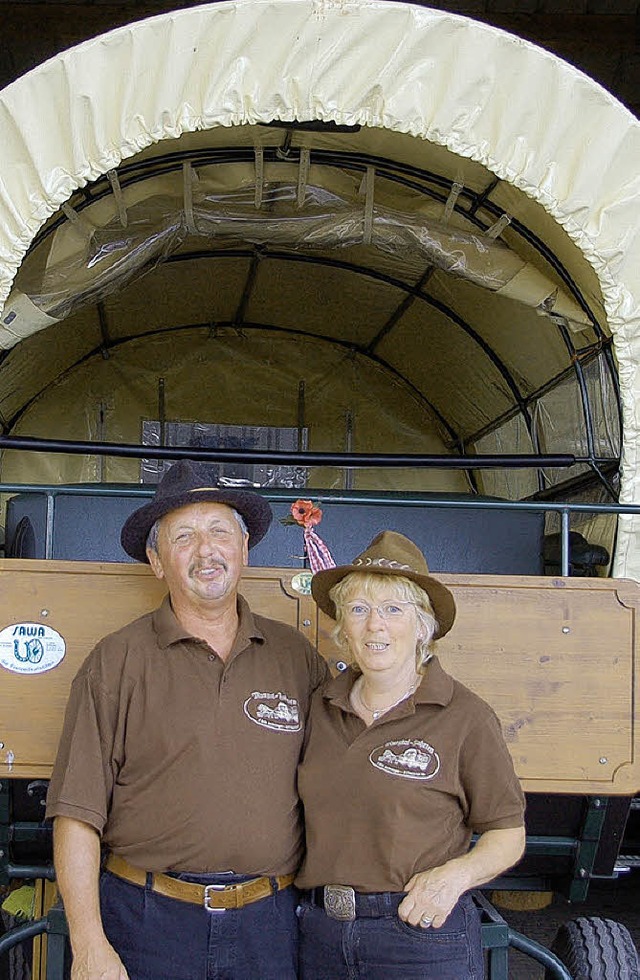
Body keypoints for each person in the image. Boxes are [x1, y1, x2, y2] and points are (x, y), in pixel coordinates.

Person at [45, 459, 328, 980]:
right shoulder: (116, 662)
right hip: (146, 922)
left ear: (244, 550)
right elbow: (76, 814)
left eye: (221, 531)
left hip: (270, 925)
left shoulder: (296, 657)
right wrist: (87, 945)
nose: (207, 551)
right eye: (184, 537)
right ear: (156, 561)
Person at [295, 530, 526, 980]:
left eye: (393, 610)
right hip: (319, 934)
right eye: (358, 610)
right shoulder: (319, 707)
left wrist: (453, 879)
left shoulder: (465, 717)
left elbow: (507, 835)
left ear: (423, 627)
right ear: (343, 626)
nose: (374, 625)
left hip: (418, 933)